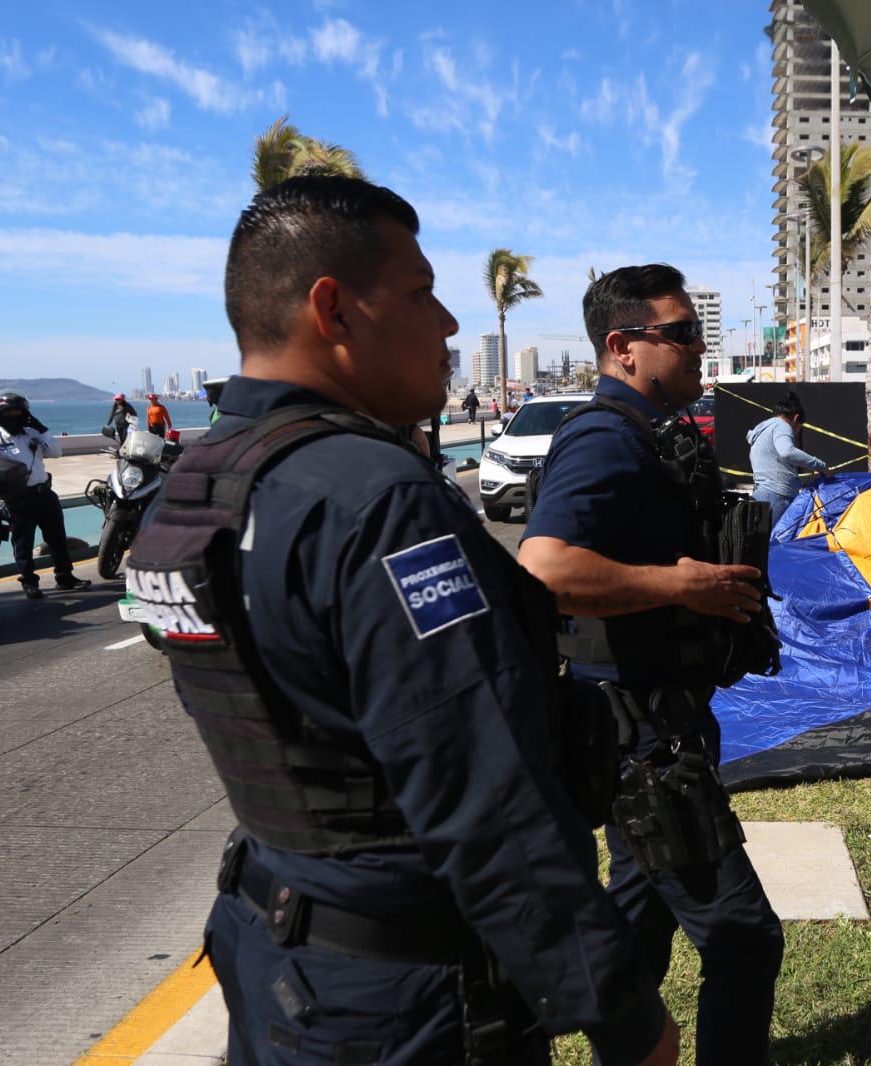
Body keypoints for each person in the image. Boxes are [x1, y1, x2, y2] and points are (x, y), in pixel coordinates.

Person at [125, 177, 677, 1066]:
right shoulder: (375, 499)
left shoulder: (198, 482)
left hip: (271, 949)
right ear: (332, 309)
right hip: (402, 994)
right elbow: (483, 793)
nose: (450, 324)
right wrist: (621, 1015)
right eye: (421, 293)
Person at [519, 264, 785, 1065]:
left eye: (698, 334)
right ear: (622, 346)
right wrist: (682, 585)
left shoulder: (651, 434)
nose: (700, 350)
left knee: (637, 919)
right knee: (743, 937)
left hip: (657, 719)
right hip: (642, 737)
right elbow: (543, 570)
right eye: (681, 335)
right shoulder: (605, 436)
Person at [0, 392, 92, 600]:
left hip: (44, 494)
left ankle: (65, 577)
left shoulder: (32, 433)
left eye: (18, 412)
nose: (14, 415)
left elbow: (56, 452)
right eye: (9, 412)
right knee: (23, 544)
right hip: (18, 499)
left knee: (57, 539)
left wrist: (43, 429)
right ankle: (29, 582)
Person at [745, 391, 827, 524]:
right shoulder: (782, 426)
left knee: (765, 542)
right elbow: (787, 451)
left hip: (761, 493)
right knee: (779, 542)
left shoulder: (764, 428)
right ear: (796, 418)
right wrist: (819, 465)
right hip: (777, 496)